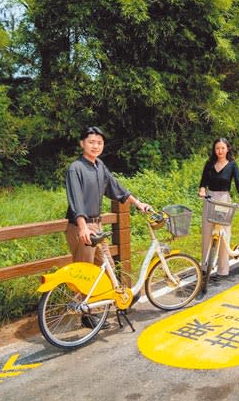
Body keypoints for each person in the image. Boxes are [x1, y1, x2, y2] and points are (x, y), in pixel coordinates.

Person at [65, 126, 150, 328]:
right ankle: (85, 314)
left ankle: (111, 303)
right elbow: (75, 200)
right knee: (85, 272)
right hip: (81, 227)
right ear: (82, 144)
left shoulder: (99, 166)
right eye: (91, 142)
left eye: (99, 143)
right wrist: (83, 226)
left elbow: (116, 188)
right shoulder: (75, 168)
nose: (95, 146)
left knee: (108, 268)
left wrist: (139, 204)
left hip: (97, 224)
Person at [198, 138, 239, 283]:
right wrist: (202, 190)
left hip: (224, 200)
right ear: (214, 150)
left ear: (227, 149)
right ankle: (205, 266)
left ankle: (223, 269)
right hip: (210, 199)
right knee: (207, 233)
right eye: (217, 148)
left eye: (222, 148)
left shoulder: (232, 165)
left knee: (224, 233)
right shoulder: (209, 164)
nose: (219, 151)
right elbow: (203, 182)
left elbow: (238, 183)